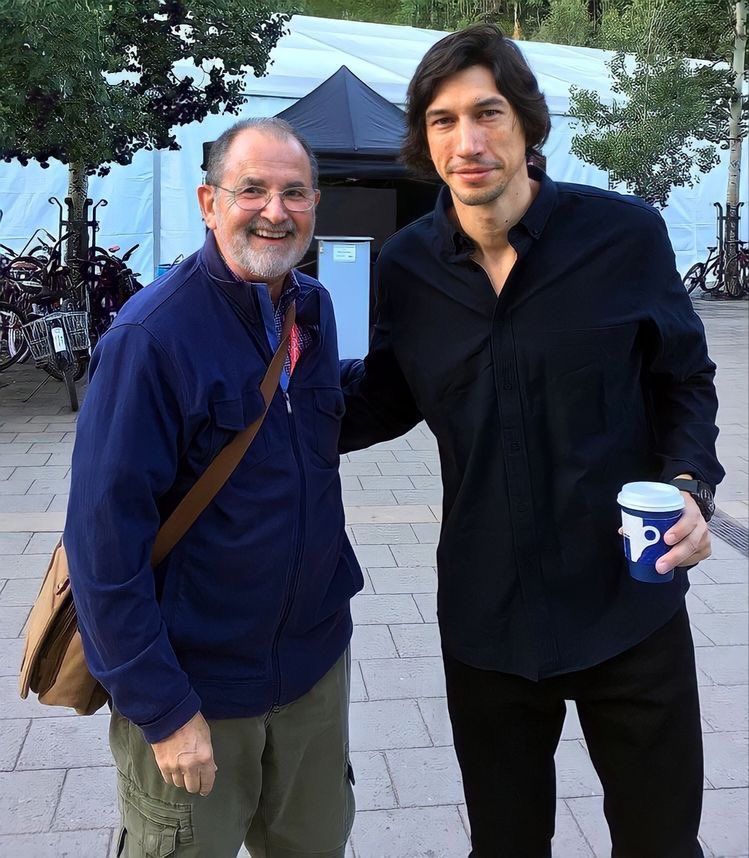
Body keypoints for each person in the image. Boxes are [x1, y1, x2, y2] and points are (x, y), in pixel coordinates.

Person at [340, 24, 722, 858]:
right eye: (442, 120)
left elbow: (683, 380)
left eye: (487, 113)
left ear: (526, 124)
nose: (467, 142)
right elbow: (387, 396)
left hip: (627, 603)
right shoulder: (406, 265)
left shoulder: (623, 236)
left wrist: (689, 486)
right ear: (424, 140)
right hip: (489, 617)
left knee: (661, 844)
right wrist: (251, 402)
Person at [65, 118, 362, 858]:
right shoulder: (151, 338)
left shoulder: (313, 308)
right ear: (208, 202)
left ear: (315, 204)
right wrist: (163, 710)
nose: (275, 211)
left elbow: (307, 433)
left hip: (312, 674)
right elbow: (102, 547)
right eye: (251, 189)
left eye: (295, 193)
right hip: (198, 692)